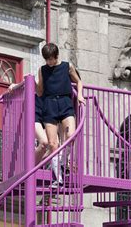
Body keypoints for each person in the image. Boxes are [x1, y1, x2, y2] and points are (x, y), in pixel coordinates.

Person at [37, 43, 85, 185]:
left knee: (71, 136)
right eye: (47, 59)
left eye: (51, 59)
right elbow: (40, 92)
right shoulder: (42, 70)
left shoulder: (67, 66)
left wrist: (80, 95)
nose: (49, 62)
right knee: (52, 144)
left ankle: (63, 162)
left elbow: (79, 81)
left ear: (56, 56)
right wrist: (36, 84)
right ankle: (58, 178)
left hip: (65, 103)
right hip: (49, 105)